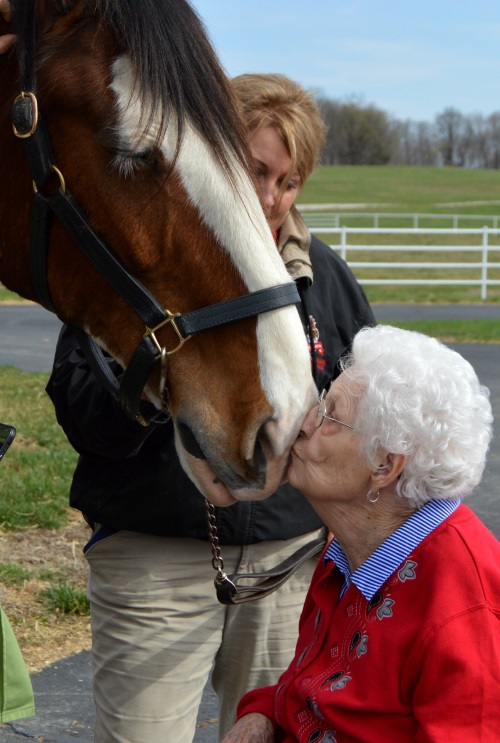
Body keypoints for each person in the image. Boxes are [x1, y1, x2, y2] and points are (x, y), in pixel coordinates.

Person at [221, 323, 500, 743]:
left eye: (329, 415)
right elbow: (308, 687)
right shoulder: (354, 550)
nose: (302, 423)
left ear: (385, 466)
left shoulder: (463, 604)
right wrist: (260, 715)